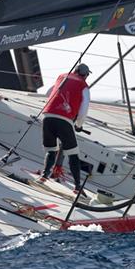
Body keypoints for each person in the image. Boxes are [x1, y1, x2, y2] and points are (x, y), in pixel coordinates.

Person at [39, 63, 91, 194]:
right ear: (85, 75)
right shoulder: (84, 86)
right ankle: (77, 187)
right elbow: (84, 108)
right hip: (64, 119)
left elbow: (48, 93)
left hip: (48, 116)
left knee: (51, 149)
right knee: (73, 154)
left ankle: (43, 177)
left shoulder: (61, 77)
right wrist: (79, 124)